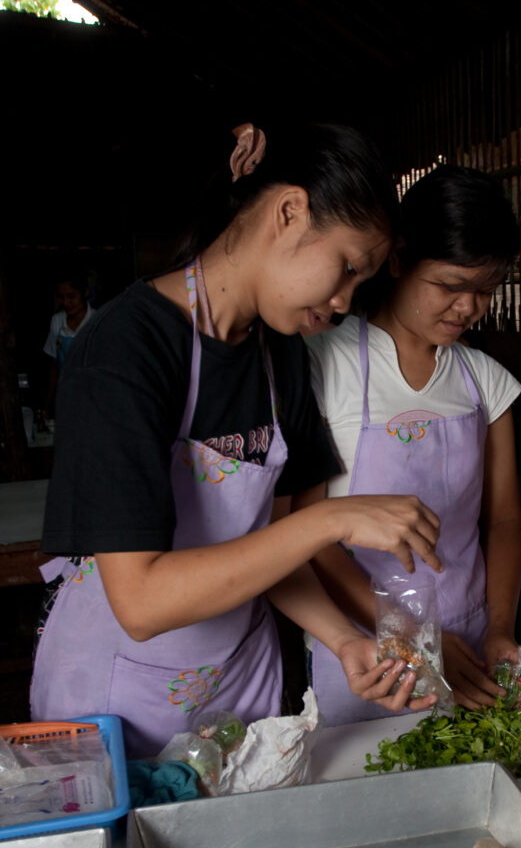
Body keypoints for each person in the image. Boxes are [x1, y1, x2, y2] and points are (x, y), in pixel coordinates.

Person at [31, 121, 444, 756]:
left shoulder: (279, 357)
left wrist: (345, 639)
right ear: (289, 210)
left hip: (239, 685)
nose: (342, 302)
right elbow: (140, 601)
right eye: (347, 268)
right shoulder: (124, 350)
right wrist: (329, 520)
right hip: (120, 701)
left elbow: (268, 559)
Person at [302, 164, 521, 725]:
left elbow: (504, 521)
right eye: (452, 286)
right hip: (364, 645)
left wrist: (502, 630)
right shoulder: (326, 363)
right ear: (401, 257)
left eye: (485, 291)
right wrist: (415, 641)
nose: (468, 308)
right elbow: (312, 536)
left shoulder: (485, 380)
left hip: (472, 634)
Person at [42, 272, 93, 416]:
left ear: (85, 293)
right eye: (61, 297)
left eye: (71, 297)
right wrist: (47, 405)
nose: (65, 302)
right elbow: (54, 367)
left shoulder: (97, 322)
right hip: (66, 397)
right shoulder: (57, 322)